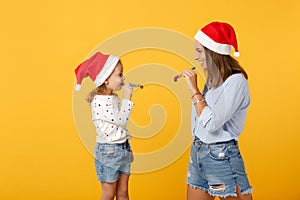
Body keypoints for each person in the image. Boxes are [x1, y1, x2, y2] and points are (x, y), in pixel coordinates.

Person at [182, 22, 253, 200]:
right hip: (199, 152)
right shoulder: (213, 80)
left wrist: (194, 91)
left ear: (213, 52)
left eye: (199, 51)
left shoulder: (236, 81)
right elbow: (201, 122)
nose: (196, 57)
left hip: (221, 155)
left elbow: (212, 123)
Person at [74, 52, 134, 200]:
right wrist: (127, 99)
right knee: (108, 194)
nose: (123, 78)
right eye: (119, 75)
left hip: (122, 148)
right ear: (106, 80)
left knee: (123, 192)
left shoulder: (112, 97)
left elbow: (119, 127)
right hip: (109, 151)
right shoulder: (100, 101)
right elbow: (121, 121)